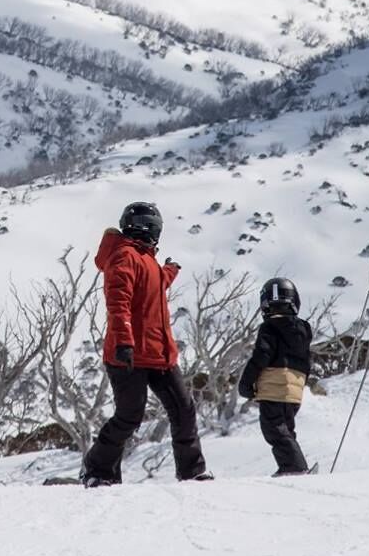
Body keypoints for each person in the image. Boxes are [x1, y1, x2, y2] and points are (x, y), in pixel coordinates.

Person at [80, 201, 211, 486]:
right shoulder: (124, 256)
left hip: (158, 354)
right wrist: (124, 341)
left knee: (183, 409)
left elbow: (151, 285)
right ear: (151, 228)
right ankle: (96, 470)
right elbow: (118, 301)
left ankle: (192, 472)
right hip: (128, 354)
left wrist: (169, 272)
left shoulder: (143, 257)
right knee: (129, 417)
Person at [239, 277, 313, 475]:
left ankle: (294, 467)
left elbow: (261, 355)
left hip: (274, 386)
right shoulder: (303, 329)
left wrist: (246, 383)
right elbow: (308, 361)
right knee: (286, 428)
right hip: (294, 389)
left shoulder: (269, 328)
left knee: (274, 428)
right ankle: (291, 465)